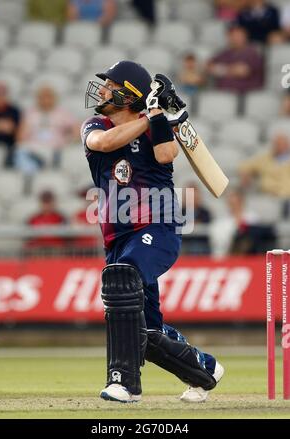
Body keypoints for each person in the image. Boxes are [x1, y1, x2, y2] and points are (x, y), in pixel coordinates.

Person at [81, 60, 224, 403]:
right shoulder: (94, 125)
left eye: (110, 85)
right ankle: (203, 368)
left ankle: (124, 383)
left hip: (157, 229)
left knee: (122, 278)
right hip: (117, 236)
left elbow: (166, 153)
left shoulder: (155, 126)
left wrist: (161, 118)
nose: (101, 90)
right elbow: (103, 143)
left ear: (129, 96)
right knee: (143, 328)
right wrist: (153, 113)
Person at [15, 86, 78, 174]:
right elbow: (20, 137)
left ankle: (33, 173)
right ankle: (31, 173)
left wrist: (68, 142)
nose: (45, 100)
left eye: (48, 97)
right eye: (42, 97)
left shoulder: (62, 113)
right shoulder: (30, 113)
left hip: (54, 149)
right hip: (34, 149)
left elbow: (76, 130)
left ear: (54, 98)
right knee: (20, 150)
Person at [207, 24, 264, 94]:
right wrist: (231, 70)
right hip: (224, 94)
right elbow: (209, 66)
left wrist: (221, 70)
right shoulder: (225, 53)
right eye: (233, 35)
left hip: (246, 94)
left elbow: (242, 71)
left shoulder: (252, 53)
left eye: (239, 35)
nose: (236, 38)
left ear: (245, 36)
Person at [0, 82, 21, 166]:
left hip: (7, 147)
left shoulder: (14, 111)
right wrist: (1, 125)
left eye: (2, 94)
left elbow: (13, 130)